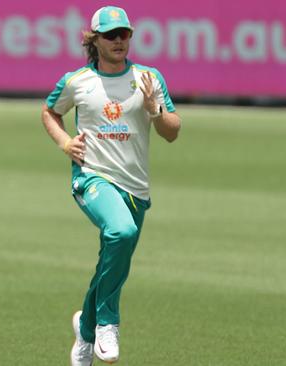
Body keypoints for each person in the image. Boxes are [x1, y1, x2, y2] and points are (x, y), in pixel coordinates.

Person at [41, 6, 181, 365]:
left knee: (113, 255)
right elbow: (50, 111)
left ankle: (85, 329)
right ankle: (106, 323)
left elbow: (172, 132)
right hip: (92, 177)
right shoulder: (77, 81)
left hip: (136, 187)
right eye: (110, 35)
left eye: (124, 34)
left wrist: (154, 110)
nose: (119, 41)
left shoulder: (149, 78)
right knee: (119, 231)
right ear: (94, 41)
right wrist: (63, 142)